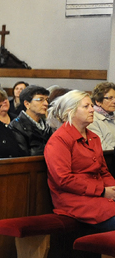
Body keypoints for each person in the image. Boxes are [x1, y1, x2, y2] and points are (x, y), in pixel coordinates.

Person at [45, 90, 115, 231]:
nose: (92, 110)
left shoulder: (93, 137)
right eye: (86, 106)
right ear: (70, 111)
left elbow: (103, 172)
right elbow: (63, 179)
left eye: (91, 106)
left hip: (97, 197)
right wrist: (102, 191)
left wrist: (113, 188)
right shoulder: (59, 140)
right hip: (73, 200)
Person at [9, 85, 52, 156]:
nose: (46, 104)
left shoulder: (47, 125)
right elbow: (23, 156)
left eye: (47, 100)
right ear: (27, 104)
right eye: (40, 100)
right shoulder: (16, 126)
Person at [87, 82, 115, 150]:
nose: (114, 101)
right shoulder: (92, 120)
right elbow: (102, 148)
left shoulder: (112, 116)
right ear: (98, 102)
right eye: (110, 98)